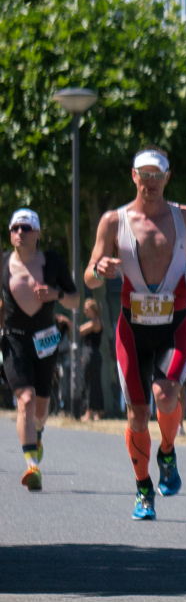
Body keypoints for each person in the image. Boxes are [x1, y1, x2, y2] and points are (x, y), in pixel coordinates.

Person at [85, 150, 186, 520]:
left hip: (175, 324)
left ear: (167, 177)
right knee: (138, 415)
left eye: (157, 174)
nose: (151, 181)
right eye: (144, 174)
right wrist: (100, 268)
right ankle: (143, 489)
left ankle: (167, 452)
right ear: (134, 176)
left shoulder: (185, 216)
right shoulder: (114, 221)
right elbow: (90, 274)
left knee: (166, 395)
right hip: (132, 331)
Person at [3, 209, 79, 491]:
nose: (19, 232)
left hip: (45, 340)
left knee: (41, 408)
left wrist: (55, 294)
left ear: (37, 233)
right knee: (26, 398)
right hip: (13, 340)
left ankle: (38, 433)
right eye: (14, 228)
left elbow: (75, 300)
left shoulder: (52, 261)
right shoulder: (3, 263)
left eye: (25, 227)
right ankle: (32, 465)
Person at [78, 297, 105, 421]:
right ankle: (99, 411)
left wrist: (68, 322)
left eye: (87, 309)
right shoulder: (96, 321)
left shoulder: (95, 322)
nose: (85, 311)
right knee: (95, 383)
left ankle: (89, 412)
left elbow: (79, 331)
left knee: (89, 383)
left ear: (93, 310)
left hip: (91, 354)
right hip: (93, 354)